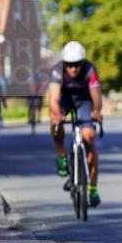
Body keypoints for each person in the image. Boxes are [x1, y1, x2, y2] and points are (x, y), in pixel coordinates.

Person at [48, 41, 104, 206]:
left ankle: (93, 188)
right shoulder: (57, 71)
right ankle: (61, 156)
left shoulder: (90, 70)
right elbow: (53, 99)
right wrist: (58, 115)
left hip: (84, 100)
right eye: (70, 65)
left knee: (89, 136)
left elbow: (96, 97)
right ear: (64, 64)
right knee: (54, 121)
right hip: (64, 99)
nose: (74, 69)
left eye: (77, 65)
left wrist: (96, 111)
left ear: (83, 62)